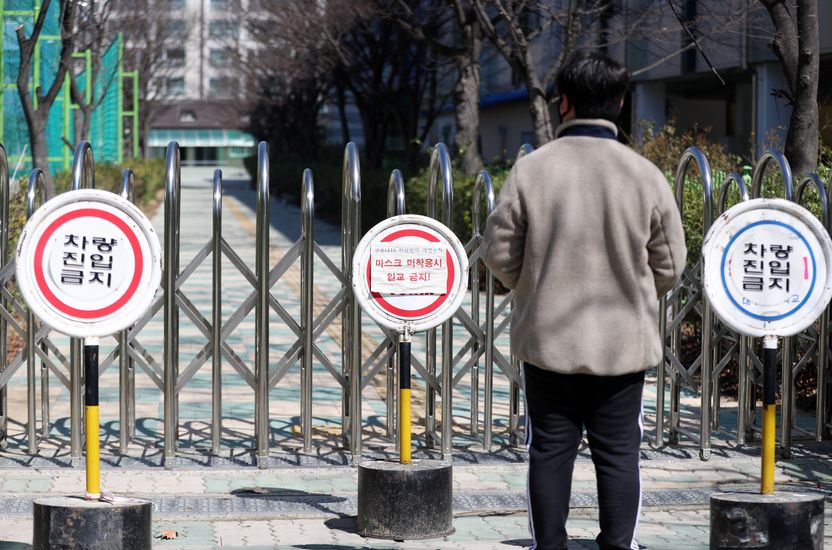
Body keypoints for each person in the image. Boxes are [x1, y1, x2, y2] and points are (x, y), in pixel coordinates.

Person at [482, 51, 686, 550]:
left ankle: (548, 545)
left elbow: (499, 253)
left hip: (549, 340)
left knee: (549, 452)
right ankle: (618, 545)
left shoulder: (532, 171)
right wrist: (633, 295)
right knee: (620, 455)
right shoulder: (645, 175)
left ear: (564, 103)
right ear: (619, 103)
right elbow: (671, 264)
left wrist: (535, 286)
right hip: (623, 344)